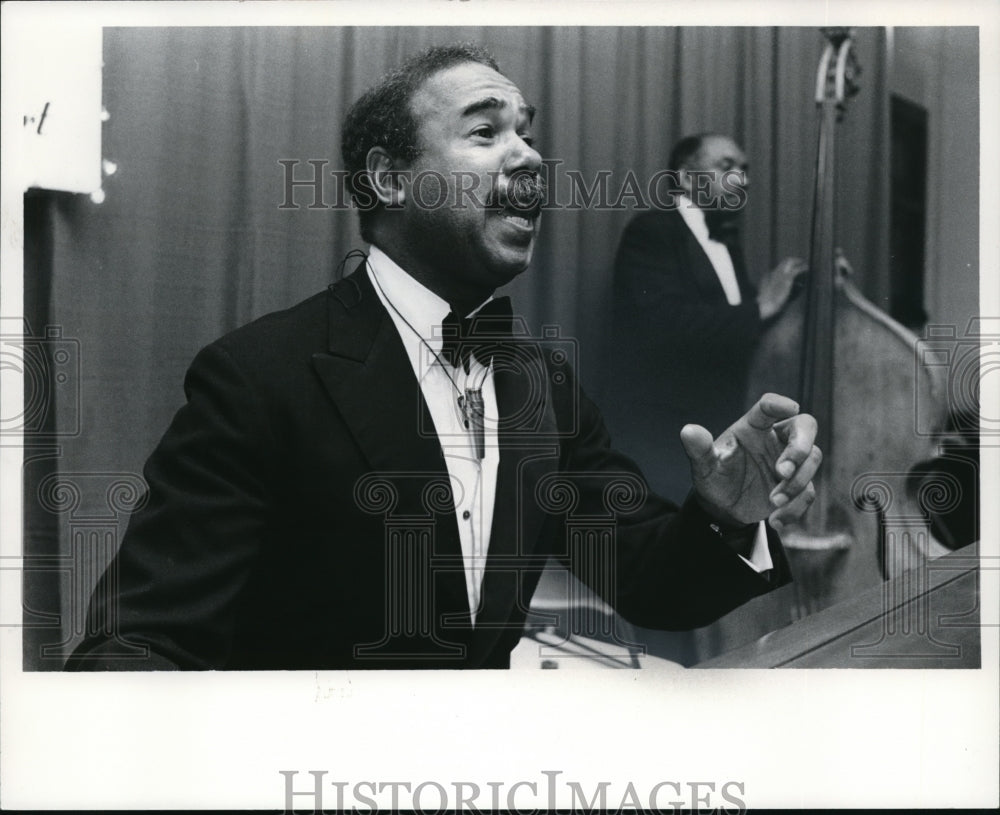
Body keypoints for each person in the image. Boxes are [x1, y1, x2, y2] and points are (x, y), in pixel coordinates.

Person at [65, 45, 820, 671]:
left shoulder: (543, 386)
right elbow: (135, 647)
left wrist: (725, 517)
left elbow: (650, 578)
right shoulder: (259, 376)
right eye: (486, 132)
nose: (529, 156)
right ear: (390, 178)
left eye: (527, 132)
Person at [605, 133, 807, 503]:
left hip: (722, 433)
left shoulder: (728, 244)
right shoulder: (652, 231)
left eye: (745, 170)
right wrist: (759, 307)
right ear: (686, 178)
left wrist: (801, 289)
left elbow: (740, 329)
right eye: (727, 167)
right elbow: (661, 326)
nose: (743, 179)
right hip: (664, 441)